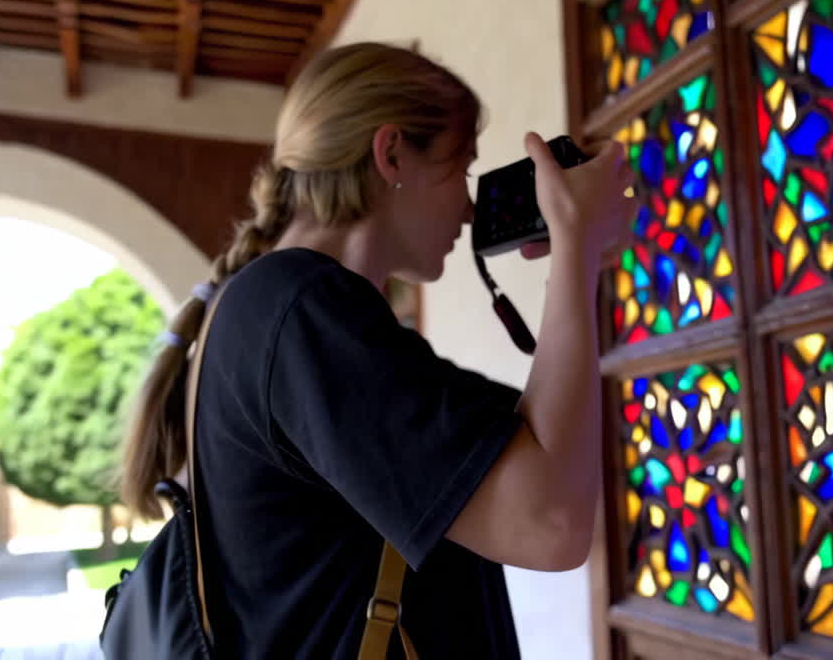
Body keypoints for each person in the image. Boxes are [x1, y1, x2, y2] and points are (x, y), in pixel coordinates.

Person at [120, 42, 633, 658]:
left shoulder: (294, 315)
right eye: (460, 169)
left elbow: (540, 459)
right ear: (391, 154)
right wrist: (572, 253)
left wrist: (579, 258)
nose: (470, 209)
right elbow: (551, 525)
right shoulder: (299, 308)